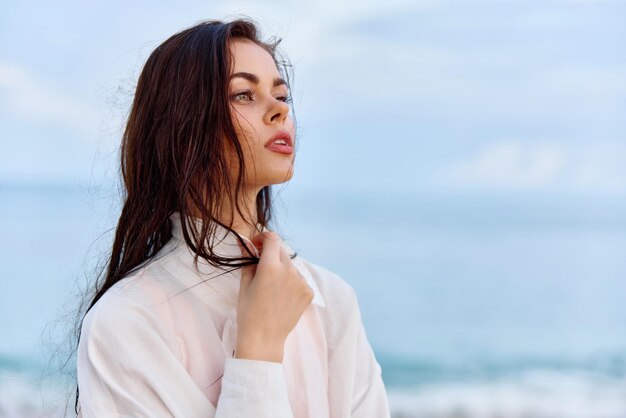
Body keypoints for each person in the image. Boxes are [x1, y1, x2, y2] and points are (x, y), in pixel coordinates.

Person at [75, 17, 390, 418]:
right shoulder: (125, 322)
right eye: (244, 94)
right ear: (183, 128)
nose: (279, 110)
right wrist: (258, 351)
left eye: (282, 95)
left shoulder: (332, 301)